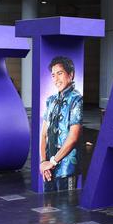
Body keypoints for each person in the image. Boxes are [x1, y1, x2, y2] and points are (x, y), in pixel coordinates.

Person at [40, 56, 83, 192]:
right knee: (48, 209)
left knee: (66, 211)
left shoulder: (77, 100)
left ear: (71, 75)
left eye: (60, 73)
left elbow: (73, 137)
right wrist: (43, 163)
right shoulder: (50, 101)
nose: (56, 79)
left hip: (67, 169)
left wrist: (52, 162)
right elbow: (43, 134)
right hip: (48, 169)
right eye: (53, 75)